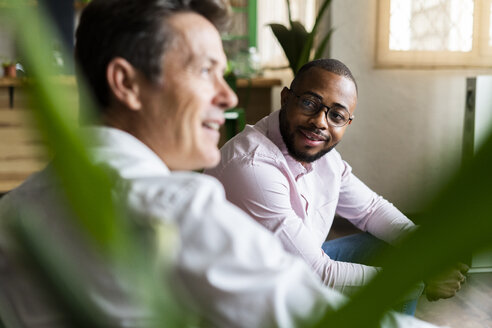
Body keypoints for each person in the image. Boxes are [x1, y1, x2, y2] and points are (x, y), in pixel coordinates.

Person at [0, 1, 439, 327]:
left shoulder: (18, 205)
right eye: (205, 70)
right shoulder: (171, 212)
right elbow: (310, 305)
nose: (228, 97)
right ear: (126, 84)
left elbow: (369, 210)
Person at [205, 58, 469, 314]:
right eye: (310, 103)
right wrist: (422, 277)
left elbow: (371, 210)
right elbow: (318, 274)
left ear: (347, 123)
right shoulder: (252, 165)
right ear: (286, 99)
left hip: (290, 272)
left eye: (337, 115)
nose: (320, 122)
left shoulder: (322, 154)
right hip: (250, 300)